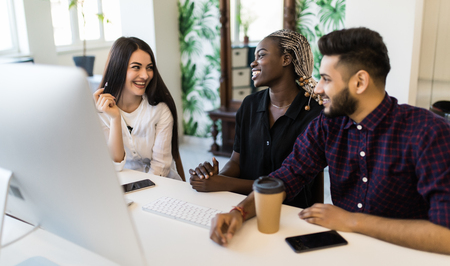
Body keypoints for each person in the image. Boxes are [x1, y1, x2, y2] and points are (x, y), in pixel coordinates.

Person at [209, 27, 450, 255]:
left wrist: (353, 221)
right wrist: (239, 212)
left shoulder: (428, 132)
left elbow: (446, 234)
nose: (318, 88)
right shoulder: (327, 125)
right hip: (343, 250)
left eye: (326, 79)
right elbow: (286, 176)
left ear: (359, 82)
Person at [189, 29, 323, 208]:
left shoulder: (314, 113)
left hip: (290, 212)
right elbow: (236, 161)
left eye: (261, 55)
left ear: (286, 59)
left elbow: (293, 181)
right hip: (242, 205)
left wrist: (225, 183)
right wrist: (215, 177)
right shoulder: (250, 105)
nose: (253, 63)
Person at [93, 36, 185, 181]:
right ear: (118, 68)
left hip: (161, 184)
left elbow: (160, 167)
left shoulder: (160, 110)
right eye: (136, 67)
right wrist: (115, 118)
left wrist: (140, 190)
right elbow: (115, 165)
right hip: (123, 185)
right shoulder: (101, 110)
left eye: (149, 68)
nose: (145, 75)